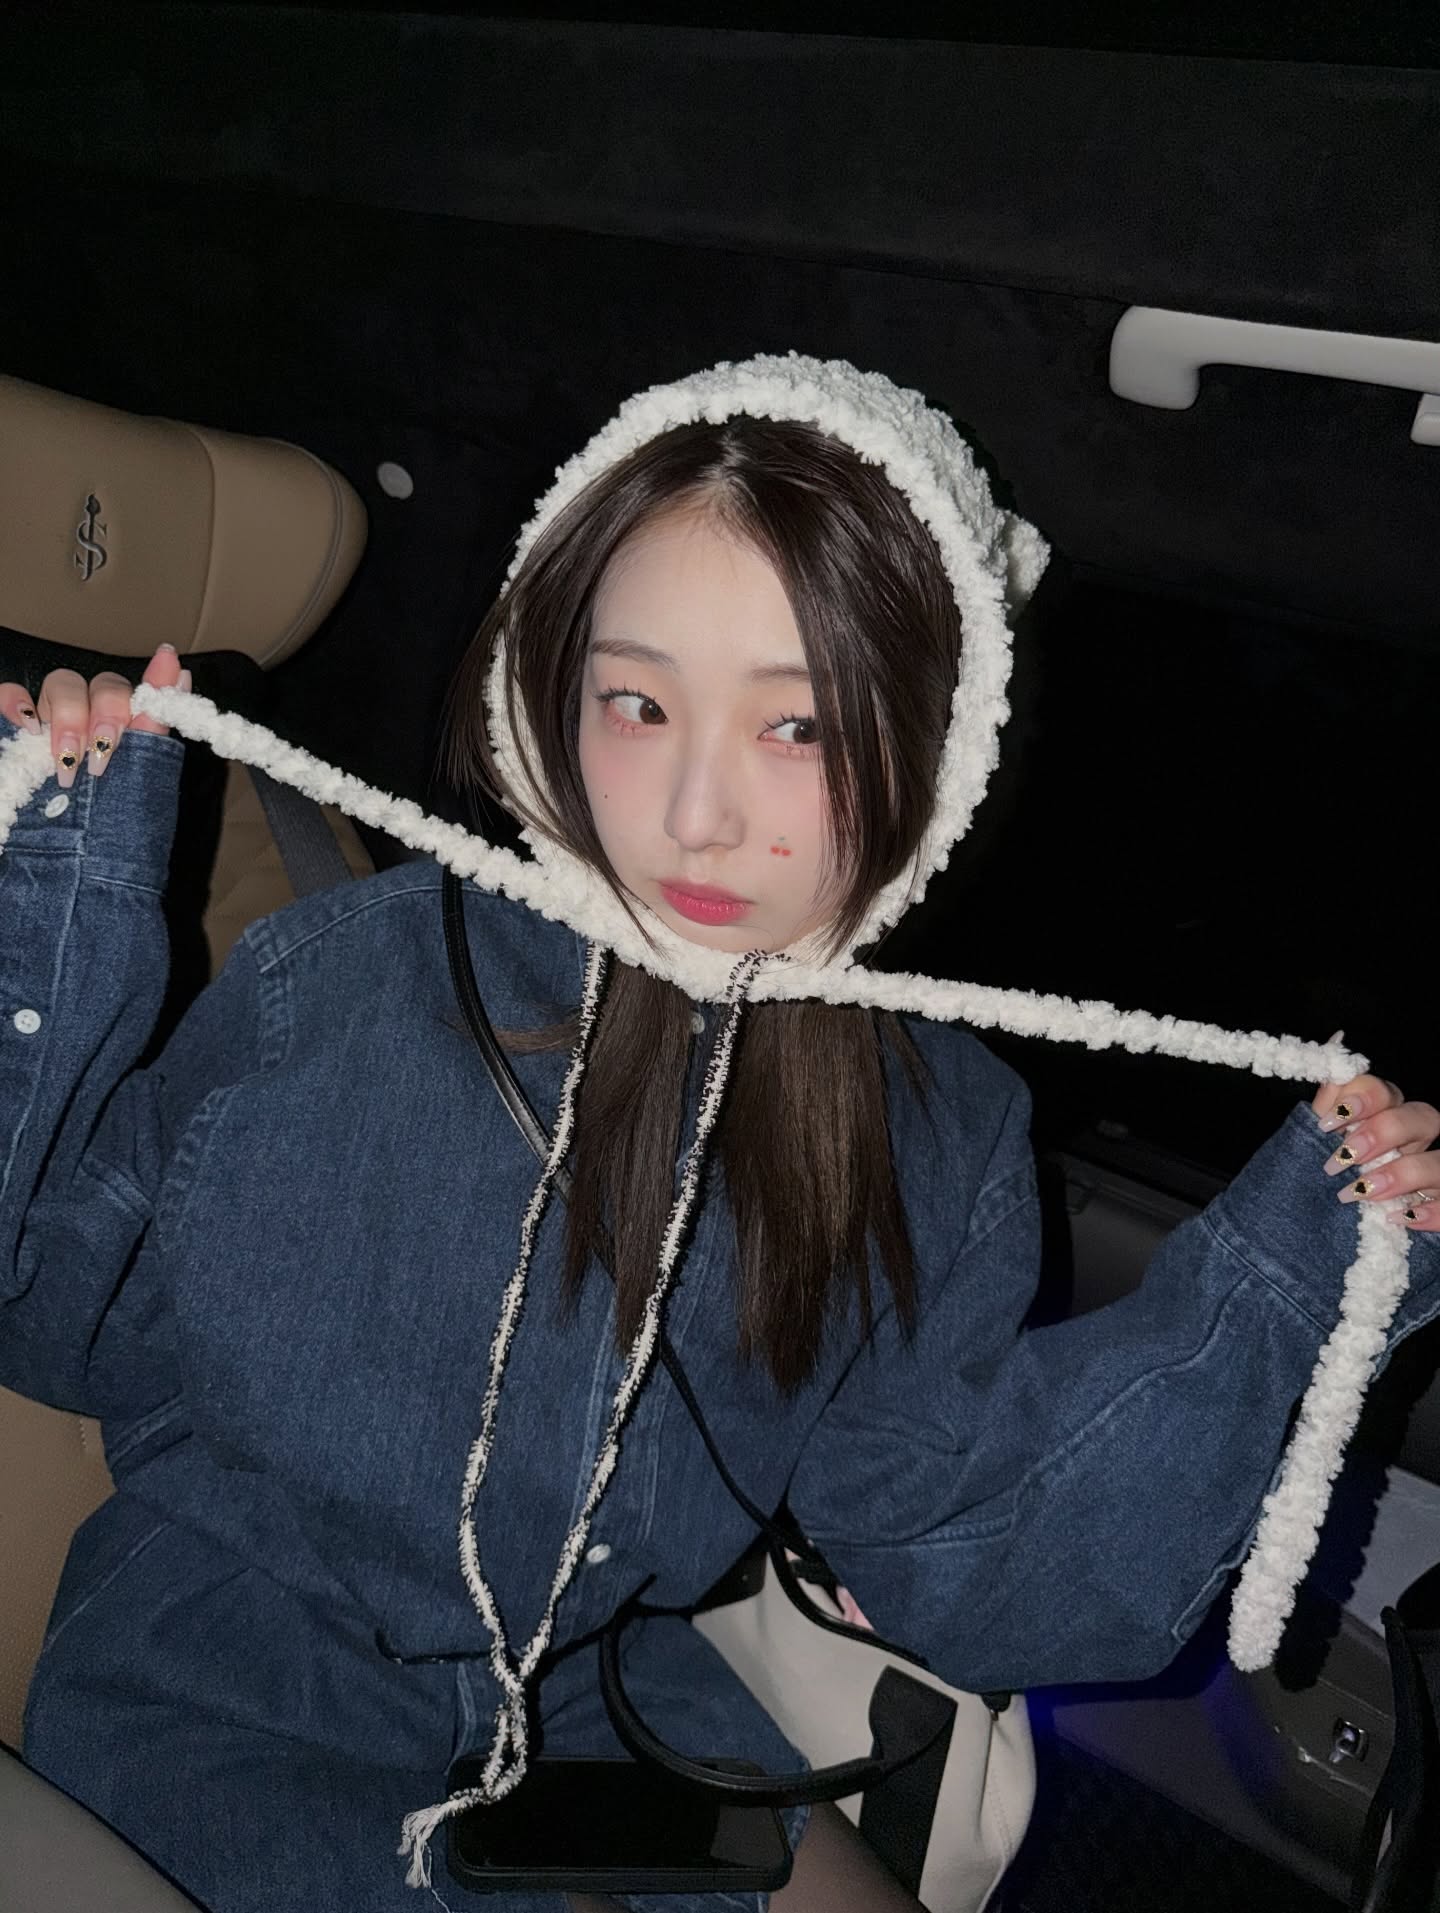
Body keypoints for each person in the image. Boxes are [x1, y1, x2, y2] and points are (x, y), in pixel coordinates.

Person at [2, 355, 1438, 1913]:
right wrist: (57, 901)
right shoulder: (345, 982)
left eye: (798, 726)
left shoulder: (935, 1132)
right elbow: (56, 1303)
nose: (698, 812)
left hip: (589, 1702)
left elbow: (963, 1557)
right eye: (639, 702)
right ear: (551, 692)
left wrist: (1299, 1276)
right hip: (228, 1675)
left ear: (930, 749)